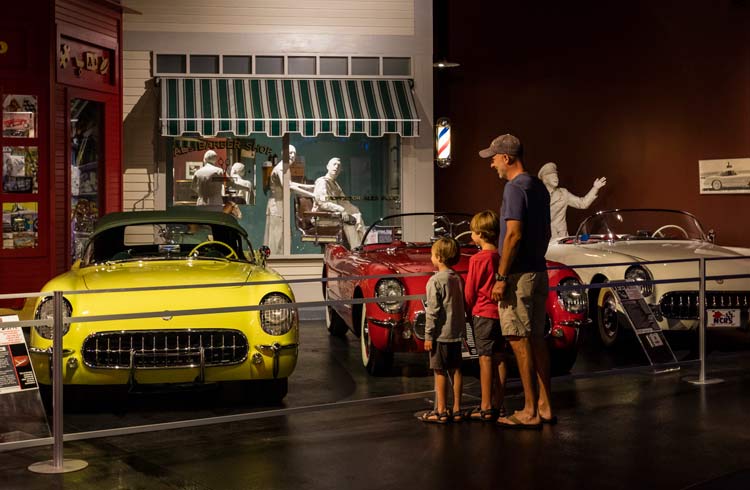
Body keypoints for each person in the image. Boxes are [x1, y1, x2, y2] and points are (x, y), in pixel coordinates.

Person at [479, 133, 553, 429]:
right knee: (536, 339)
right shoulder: (538, 186)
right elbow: (545, 232)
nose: (492, 164)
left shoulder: (514, 188)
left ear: (507, 158)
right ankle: (545, 406)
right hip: (538, 271)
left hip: (519, 275)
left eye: (494, 158)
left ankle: (529, 410)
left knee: (518, 340)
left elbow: (513, 234)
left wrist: (501, 277)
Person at [464, 210, 507, 422]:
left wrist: (467, 308)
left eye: (472, 231)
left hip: (482, 313)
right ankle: (499, 403)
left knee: (485, 358)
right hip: (500, 313)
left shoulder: (477, 260)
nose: (471, 235)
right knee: (500, 357)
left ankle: (486, 405)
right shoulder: (500, 258)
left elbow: (470, 291)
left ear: (480, 234)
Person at [419, 237, 466, 424]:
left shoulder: (435, 281)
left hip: (440, 336)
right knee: (456, 370)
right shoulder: (457, 278)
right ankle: (457, 409)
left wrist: (428, 335)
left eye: (432, 254)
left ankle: (441, 410)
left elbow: (433, 311)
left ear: (438, 257)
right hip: (456, 334)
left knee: (439, 371)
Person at [538, 162, 606, 239]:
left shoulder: (563, 193)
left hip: (559, 238)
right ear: (544, 179)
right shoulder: (536, 196)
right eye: (552, 176)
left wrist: (595, 188)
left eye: (556, 175)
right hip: (541, 239)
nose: (556, 178)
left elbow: (583, 204)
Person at [264, 145, 309, 255]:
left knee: (282, 235)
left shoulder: (285, 168)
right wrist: (311, 194)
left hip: (282, 206)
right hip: (277, 206)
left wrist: (309, 187)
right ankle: (274, 262)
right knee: (276, 237)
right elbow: (288, 187)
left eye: (294, 153)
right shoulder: (280, 168)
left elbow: (291, 184)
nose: (292, 156)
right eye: (290, 153)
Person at [312, 157, 365, 248]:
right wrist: (341, 209)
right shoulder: (322, 182)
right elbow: (322, 203)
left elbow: (344, 202)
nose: (336, 167)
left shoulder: (335, 184)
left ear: (340, 170)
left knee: (357, 217)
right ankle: (356, 251)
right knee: (349, 223)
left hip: (335, 216)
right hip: (322, 217)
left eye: (338, 166)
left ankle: (364, 248)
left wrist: (355, 211)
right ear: (327, 166)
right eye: (334, 164)